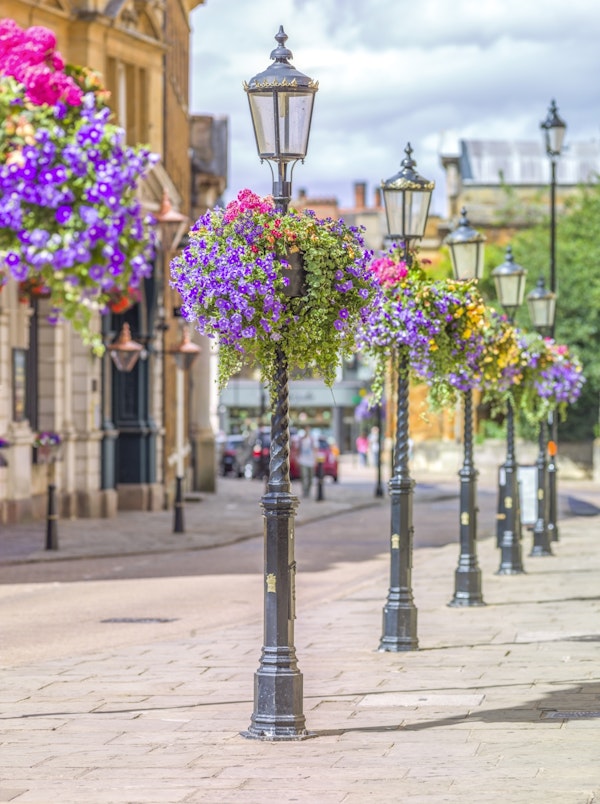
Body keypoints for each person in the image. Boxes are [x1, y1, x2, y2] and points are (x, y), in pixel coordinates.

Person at [298, 427, 317, 498]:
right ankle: (304, 491)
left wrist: (315, 460)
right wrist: (298, 459)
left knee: (310, 477)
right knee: (304, 476)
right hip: (303, 461)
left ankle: (308, 491)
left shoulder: (312, 439)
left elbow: (315, 450)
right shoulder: (301, 440)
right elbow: (298, 450)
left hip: (311, 461)